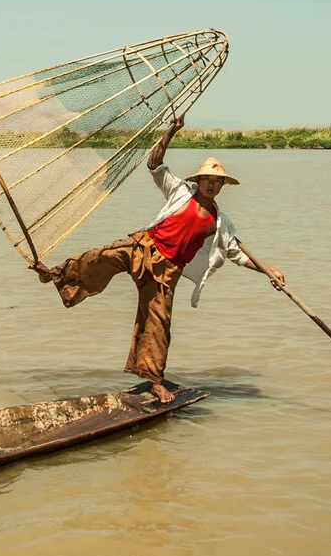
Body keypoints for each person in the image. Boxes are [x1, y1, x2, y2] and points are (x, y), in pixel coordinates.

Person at [32, 115, 284, 403]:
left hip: (167, 272)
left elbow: (237, 254)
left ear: (222, 186)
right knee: (101, 256)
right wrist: (170, 132)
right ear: (198, 180)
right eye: (207, 180)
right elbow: (154, 165)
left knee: (158, 325)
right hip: (144, 248)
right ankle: (54, 274)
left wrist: (269, 271)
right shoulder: (180, 191)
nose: (211, 186)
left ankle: (154, 381)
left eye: (217, 182)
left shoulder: (219, 222)